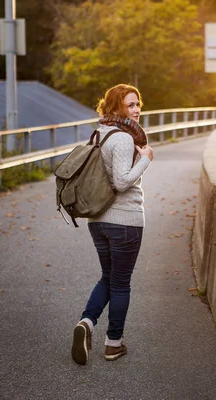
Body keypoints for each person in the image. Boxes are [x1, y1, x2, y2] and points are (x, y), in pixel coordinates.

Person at [71, 83, 154, 365]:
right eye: (130, 105)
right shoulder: (123, 139)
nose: (136, 109)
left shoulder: (100, 133)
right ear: (115, 107)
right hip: (125, 221)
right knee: (121, 283)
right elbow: (121, 181)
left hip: (98, 220)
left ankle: (86, 323)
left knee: (108, 277)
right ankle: (113, 343)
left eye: (137, 104)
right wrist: (146, 160)